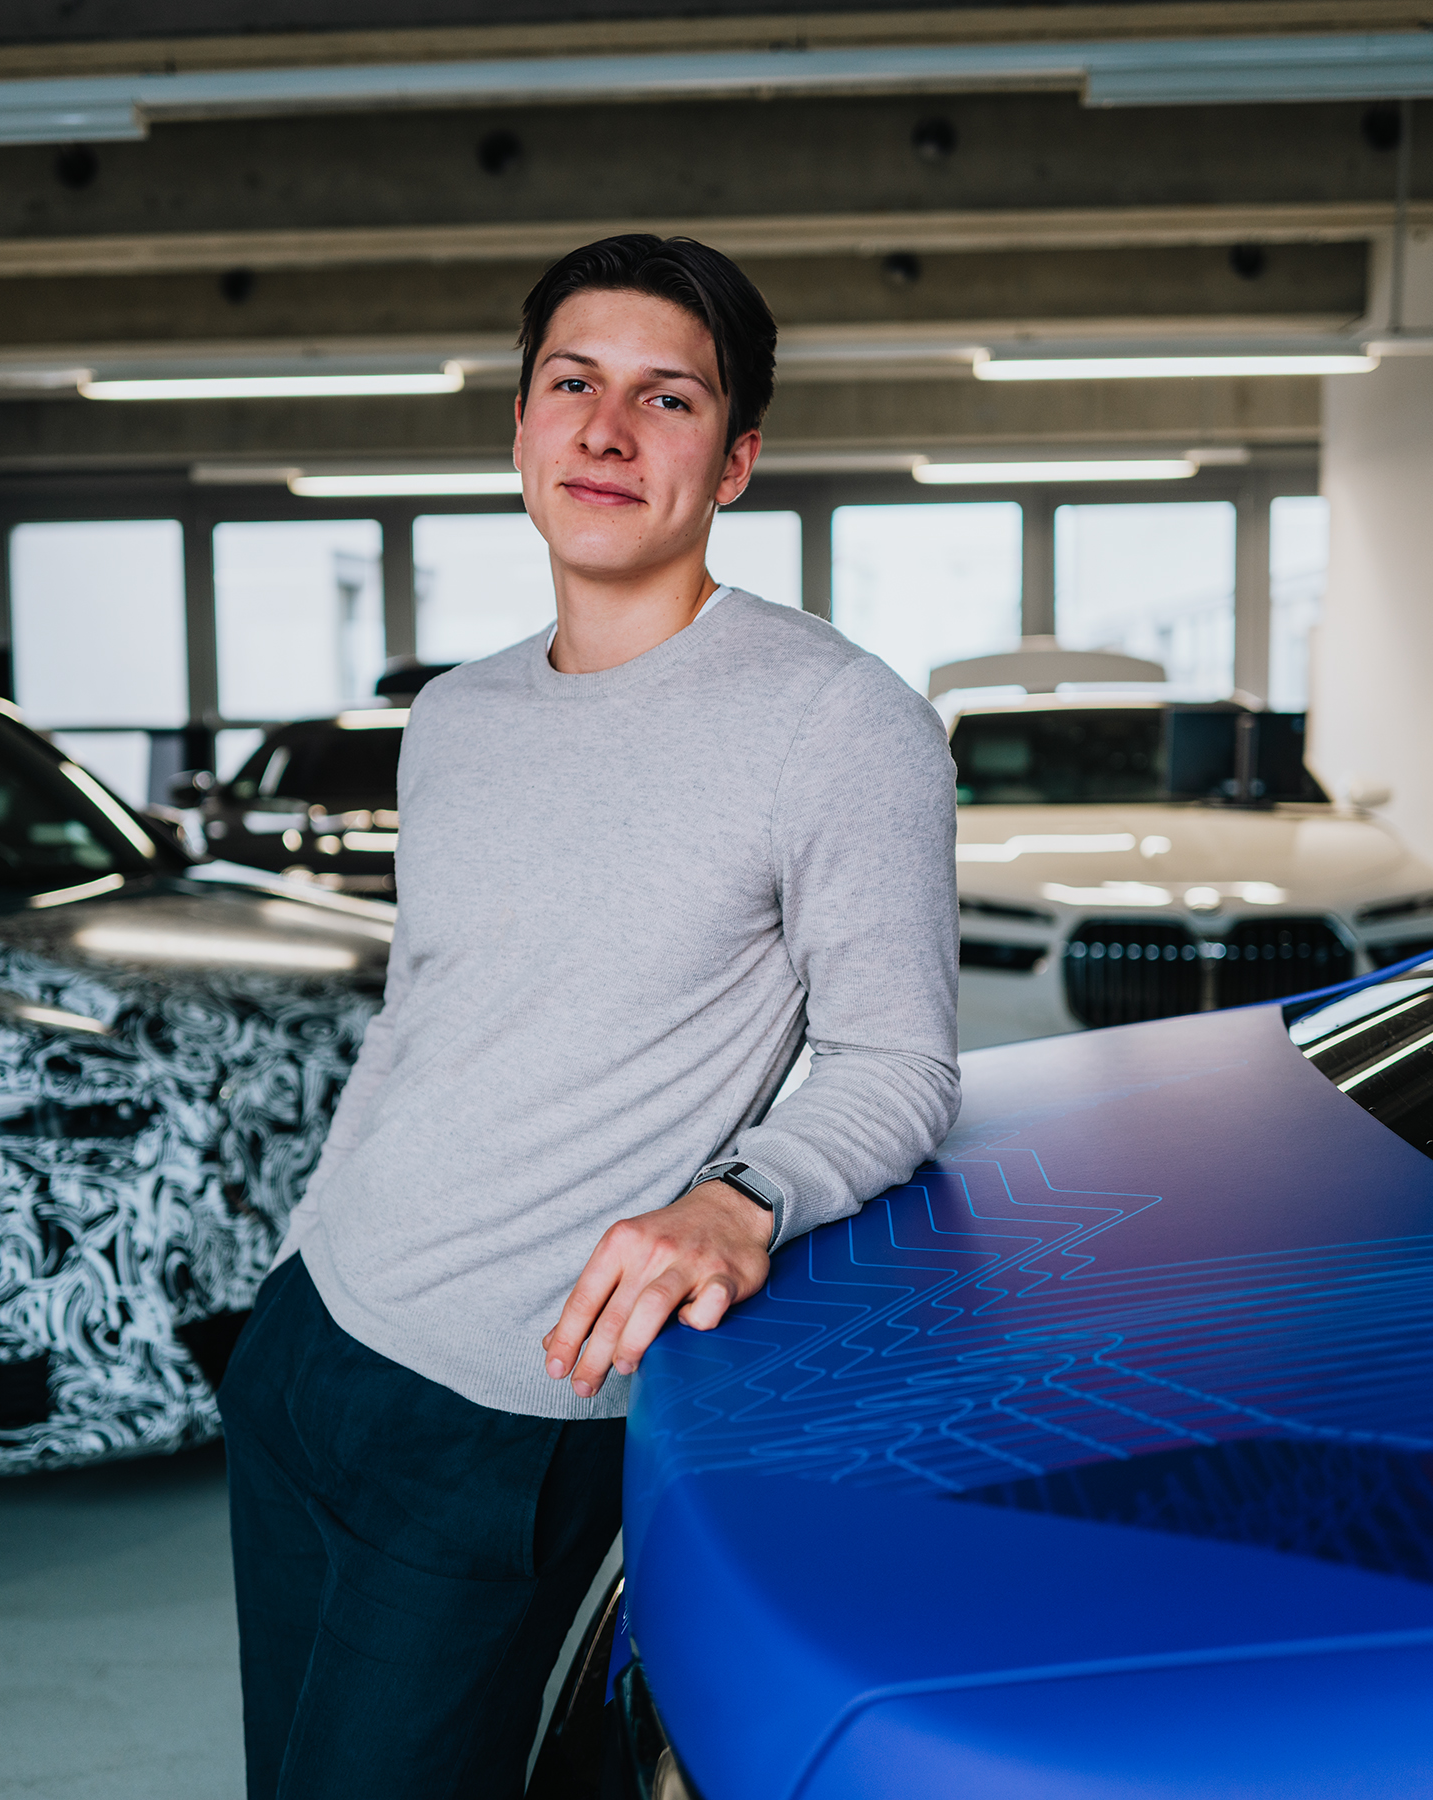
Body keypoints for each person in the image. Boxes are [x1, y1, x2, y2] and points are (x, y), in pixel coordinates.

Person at [218, 234, 962, 1800]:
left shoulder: (839, 721)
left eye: (666, 396)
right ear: (522, 428)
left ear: (737, 458)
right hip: (310, 1347)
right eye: (573, 383)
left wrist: (736, 1199)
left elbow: (899, 1065)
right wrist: (305, 1248)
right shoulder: (455, 717)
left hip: (508, 1409)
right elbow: (427, 1009)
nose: (607, 430)